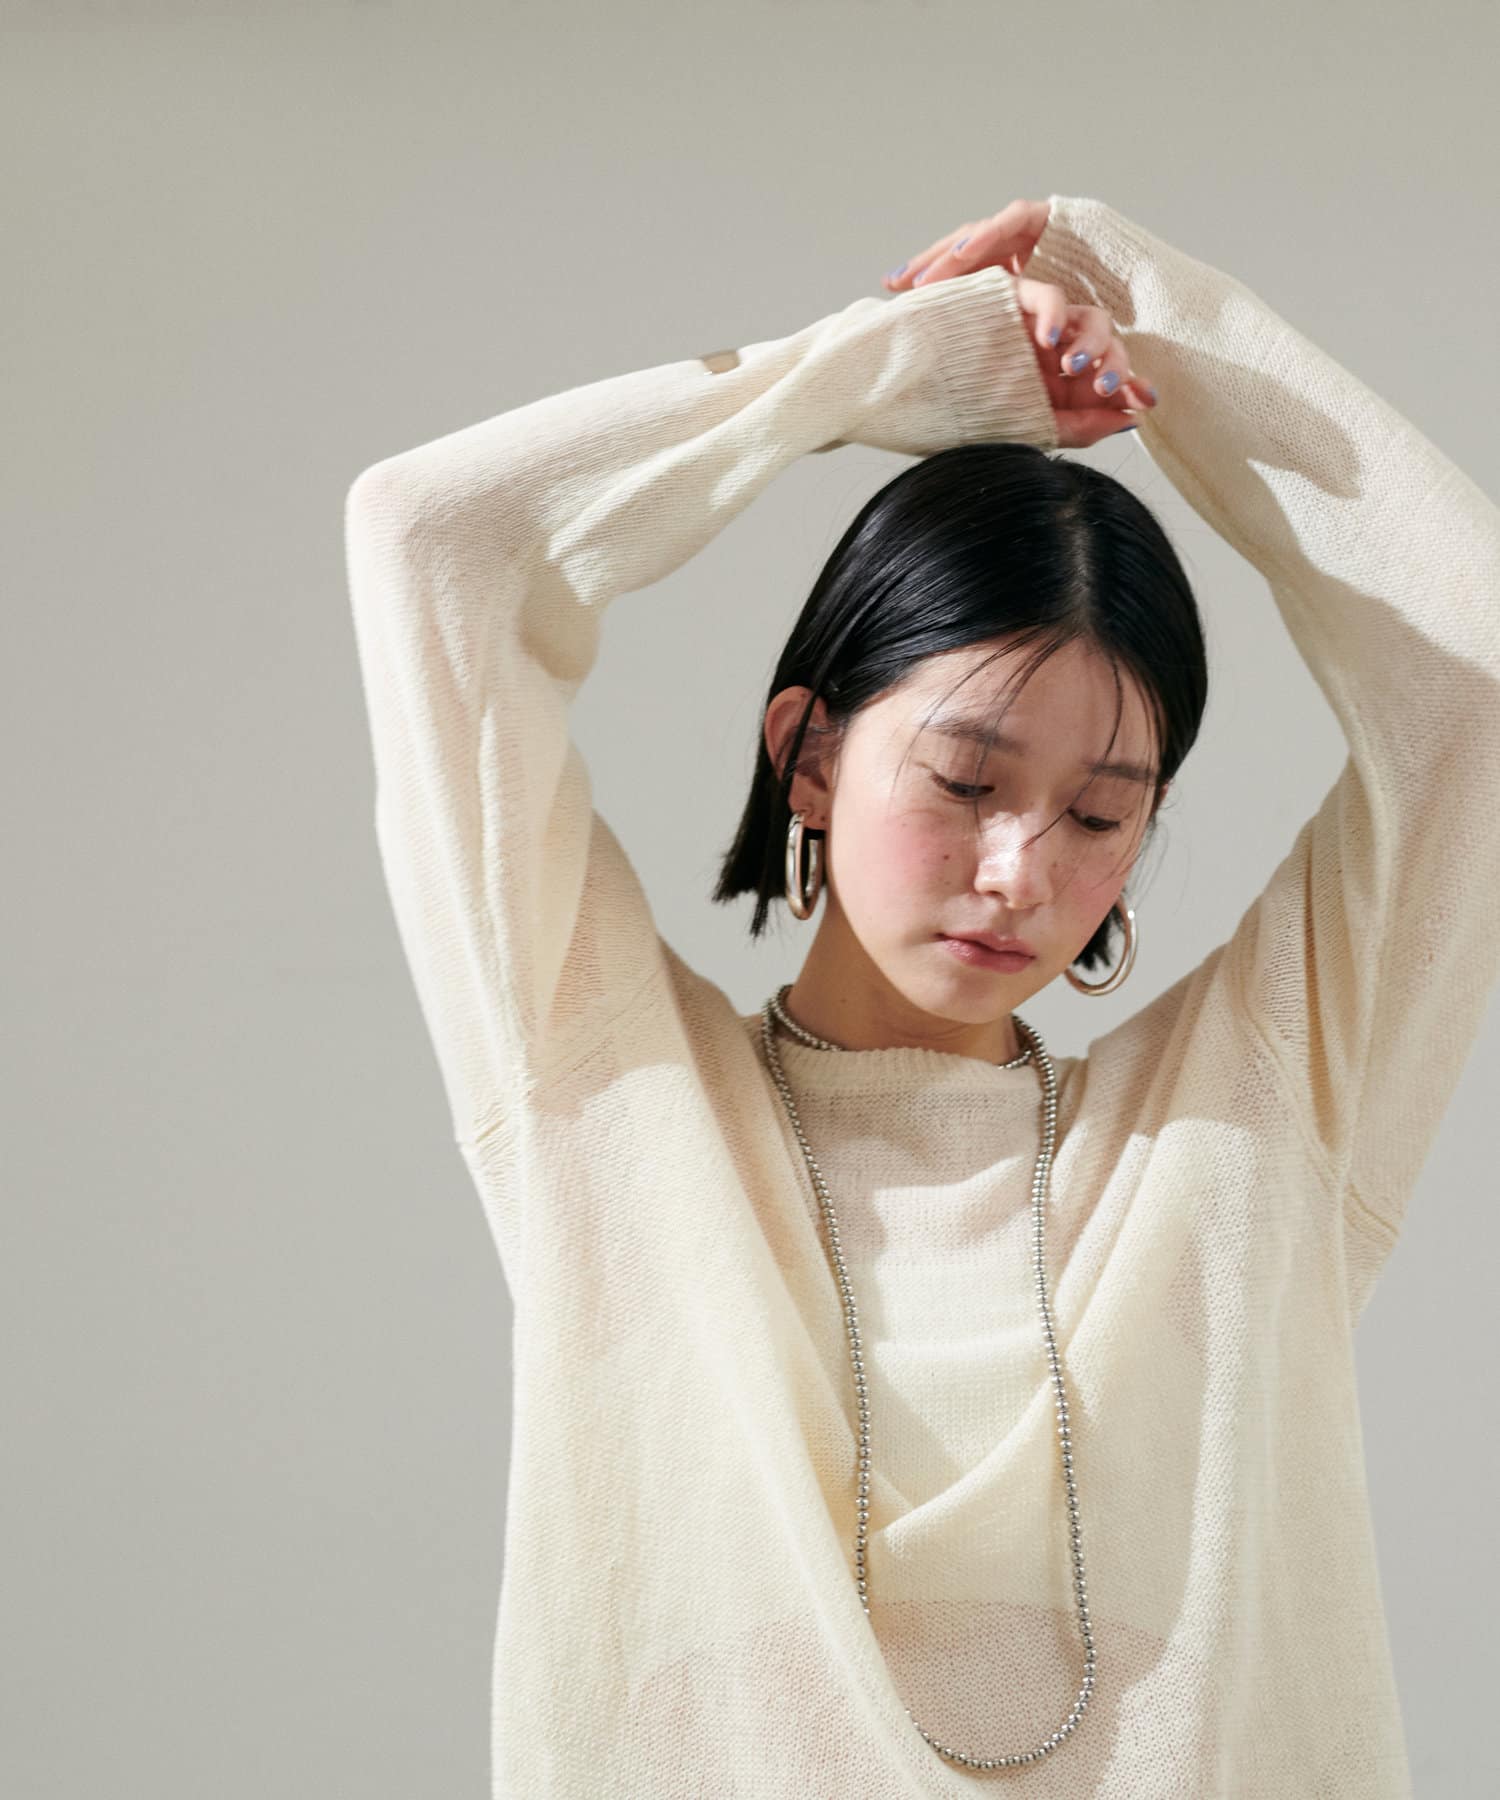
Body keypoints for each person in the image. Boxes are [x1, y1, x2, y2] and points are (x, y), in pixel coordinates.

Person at [342, 193, 1500, 1797]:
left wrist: (1147, 315)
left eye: (1099, 816)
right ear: (808, 753)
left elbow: (1475, 683)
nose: (1021, 869)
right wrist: (876, 373)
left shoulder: (1242, 1127)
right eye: (964, 781)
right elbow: (429, 538)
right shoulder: (606, 1087)